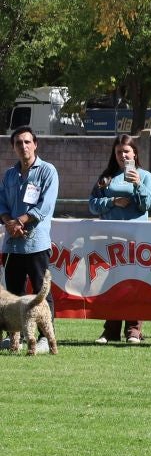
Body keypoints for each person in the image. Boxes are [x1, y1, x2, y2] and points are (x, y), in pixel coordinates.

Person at [87, 133, 151, 344]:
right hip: (111, 240)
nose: (122, 155)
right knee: (112, 284)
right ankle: (110, 330)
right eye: (118, 152)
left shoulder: (145, 176)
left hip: (137, 239)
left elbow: (147, 205)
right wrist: (113, 201)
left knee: (135, 284)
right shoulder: (106, 178)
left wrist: (137, 185)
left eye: (126, 151)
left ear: (134, 153)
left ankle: (134, 329)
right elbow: (92, 205)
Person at [2, 127, 59, 352]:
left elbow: (45, 206)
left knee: (41, 292)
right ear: (13, 147)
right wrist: (9, 221)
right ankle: (14, 338)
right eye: (18, 143)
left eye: (27, 142)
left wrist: (20, 222)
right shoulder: (9, 174)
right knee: (13, 296)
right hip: (12, 245)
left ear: (36, 144)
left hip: (37, 243)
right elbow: (1, 203)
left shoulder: (48, 171)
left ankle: (46, 337)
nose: (23, 146)